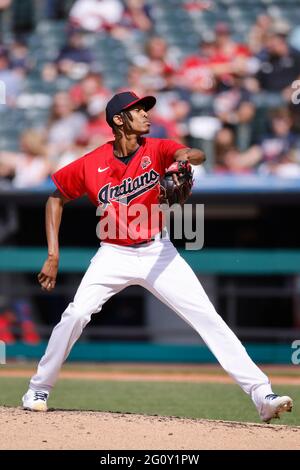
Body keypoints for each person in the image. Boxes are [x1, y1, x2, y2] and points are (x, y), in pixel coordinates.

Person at [22, 91, 293, 423]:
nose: (147, 115)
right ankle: (38, 388)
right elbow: (55, 197)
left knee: (208, 318)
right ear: (119, 120)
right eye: (138, 110)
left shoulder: (158, 148)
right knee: (76, 314)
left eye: (146, 109)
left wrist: (185, 159)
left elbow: (192, 153)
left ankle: (262, 395)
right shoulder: (91, 163)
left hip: (158, 252)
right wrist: (53, 254)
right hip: (113, 254)